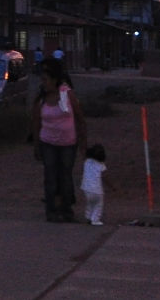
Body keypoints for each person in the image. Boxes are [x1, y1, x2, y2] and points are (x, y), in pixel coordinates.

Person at [31, 58, 85, 222]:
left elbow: (79, 118)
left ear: (54, 80)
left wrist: (83, 141)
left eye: (46, 80)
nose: (43, 83)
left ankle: (66, 209)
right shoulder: (41, 99)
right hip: (48, 143)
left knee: (65, 176)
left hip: (68, 143)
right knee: (51, 177)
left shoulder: (66, 94)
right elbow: (35, 122)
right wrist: (36, 145)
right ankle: (52, 210)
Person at [80, 143, 108, 226]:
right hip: (97, 190)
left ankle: (88, 216)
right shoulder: (101, 165)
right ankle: (95, 219)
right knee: (98, 205)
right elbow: (104, 177)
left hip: (86, 188)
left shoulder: (87, 162)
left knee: (90, 203)